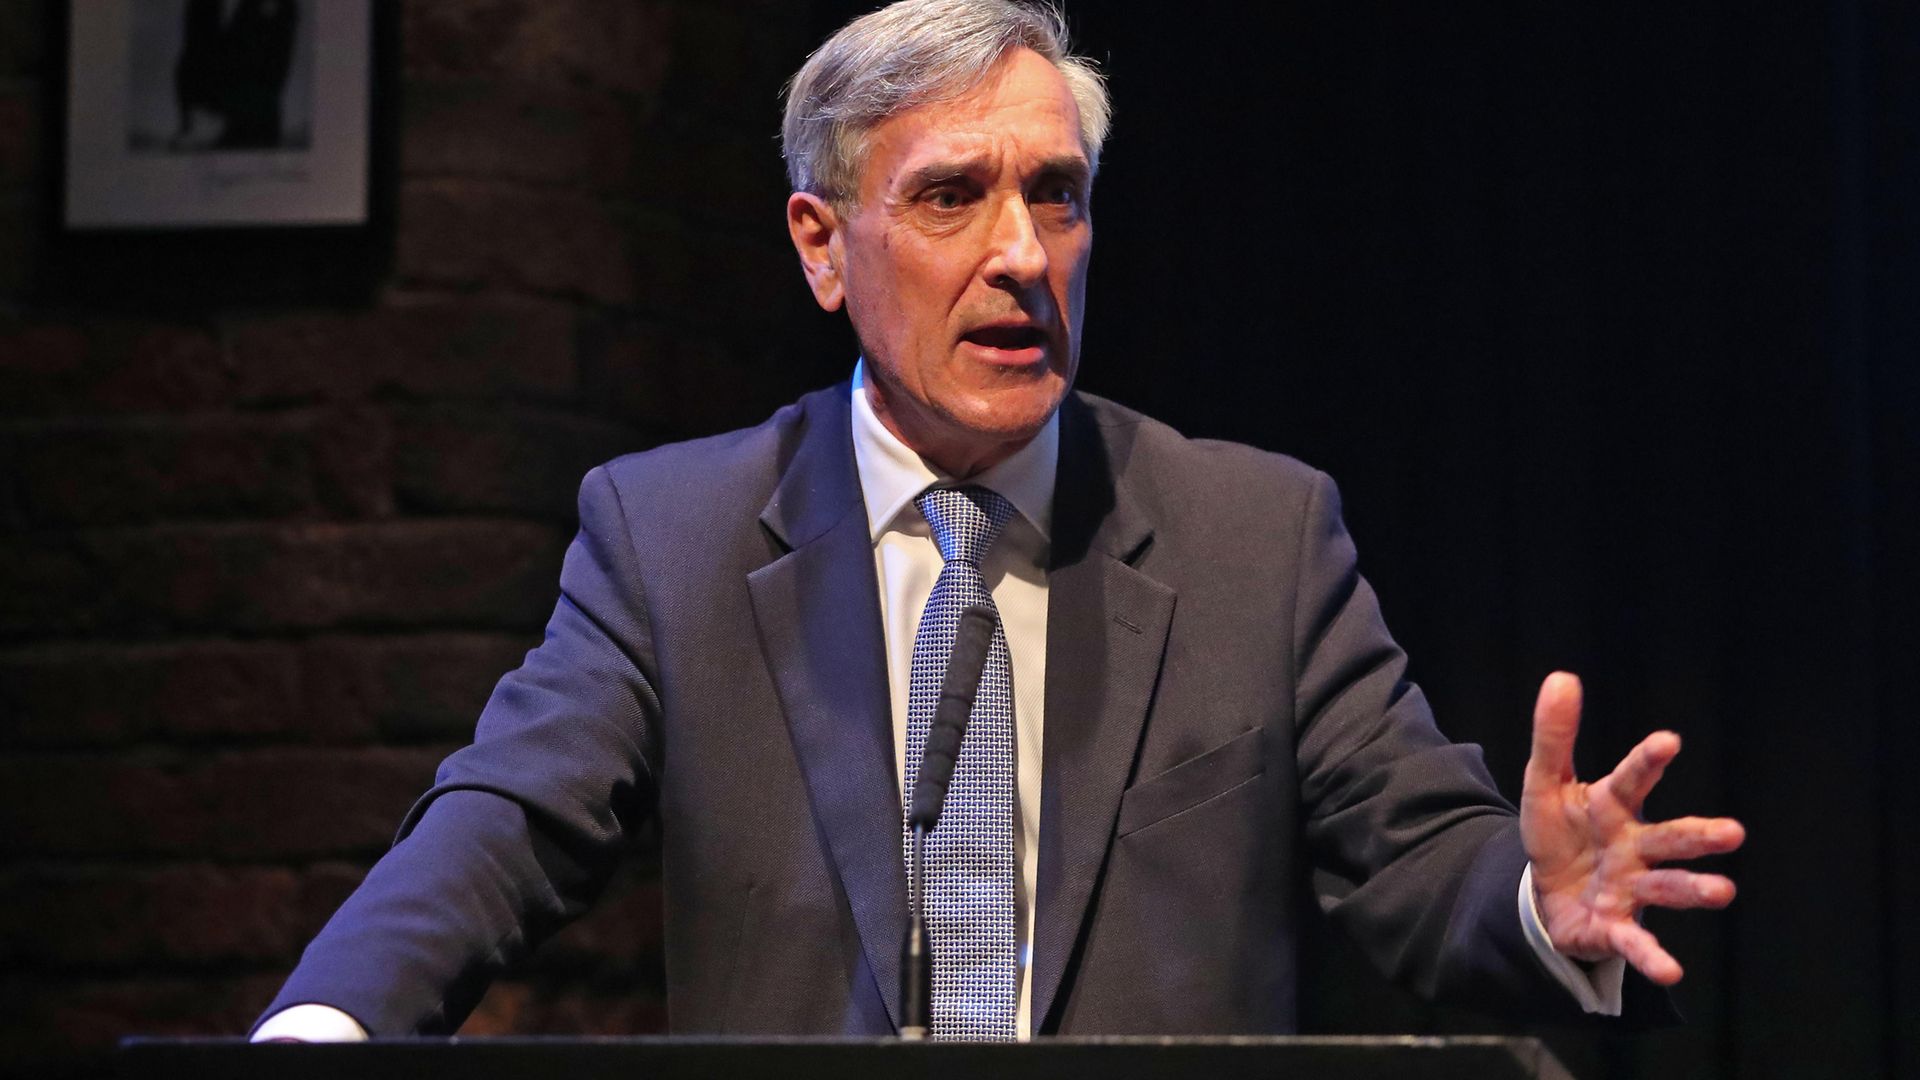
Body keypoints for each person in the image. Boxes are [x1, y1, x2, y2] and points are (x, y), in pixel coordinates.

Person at [253, 0, 1743, 1042]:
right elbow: (503, 827)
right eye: (954, 197)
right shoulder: (675, 538)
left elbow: (1422, 864)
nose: (1025, 255)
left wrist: (1543, 900)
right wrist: (326, 1024)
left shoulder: (1252, 537)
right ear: (823, 247)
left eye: (1059, 195)